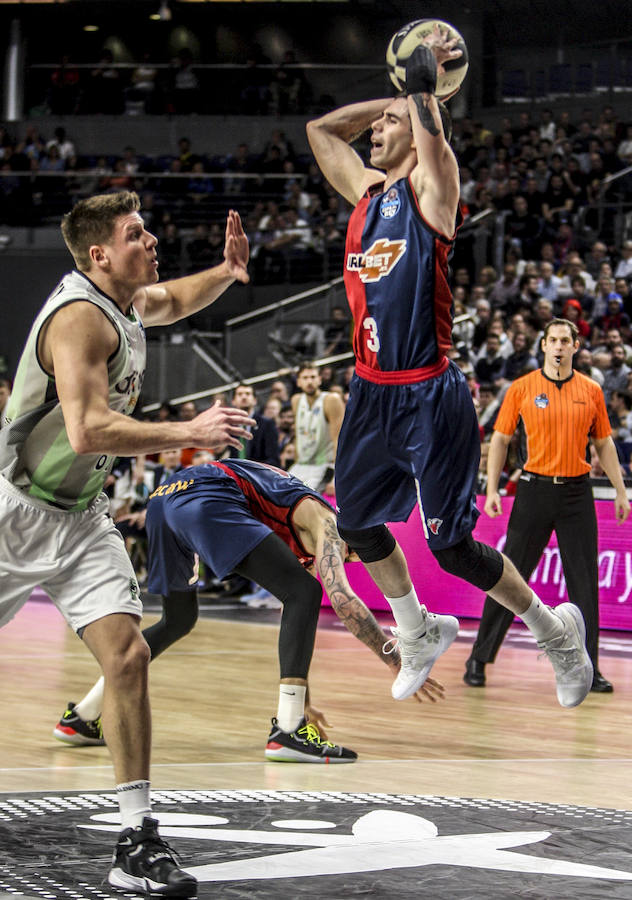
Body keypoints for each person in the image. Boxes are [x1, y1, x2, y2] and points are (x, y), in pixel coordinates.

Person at [305, 27, 594, 709]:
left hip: (431, 394)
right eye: (375, 122)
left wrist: (421, 95)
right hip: (371, 391)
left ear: (417, 133)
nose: (375, 129)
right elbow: (321, 132)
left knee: (453, 548)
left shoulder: (433, 193)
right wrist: (394, 96)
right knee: (356, 529)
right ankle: (418, 627)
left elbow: (432, 143)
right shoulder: (367, 197)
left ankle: (555, 634)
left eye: (388, 124)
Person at [0, 190, 256, 897]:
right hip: (14, 513)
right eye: (135, 234)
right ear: (99, 255)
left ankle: (136, 840)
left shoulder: (126, 302)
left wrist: (228, 273)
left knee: (129, 654)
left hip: (80, 517)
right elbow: (85, 430)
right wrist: (188, 432)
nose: (151, 241)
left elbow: (170, 301)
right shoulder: (79, 318)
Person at [53, 460, 443, 760]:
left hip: (164, 500)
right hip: (205, 495)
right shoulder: (329, 524)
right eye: (357, 557)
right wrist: (396, 659)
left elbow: (298, 627)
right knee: (306, 592)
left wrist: (303, 701)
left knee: (179, 620)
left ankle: (85, 716)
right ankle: (287, 730)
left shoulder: (310, 530)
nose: (349, 561)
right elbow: (340, 599)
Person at [464, 319, 630, 693]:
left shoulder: (591, 390)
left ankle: (590, 667)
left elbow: (604, 443)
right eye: (552, 340)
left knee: (584, 584)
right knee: (509, 579)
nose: (558, 346)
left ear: (575, 346)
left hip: (576, 494)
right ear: (543, 345)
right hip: (533, 490)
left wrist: (620, 491)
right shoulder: (522, 388)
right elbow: (502, 439)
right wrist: (492, 489)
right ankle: (479, 656)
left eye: (565, 341)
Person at [289, 362, 345, 495]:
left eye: (313, 377)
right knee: (280, 494)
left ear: (320, 379)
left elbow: (339, 439)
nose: (310, 381)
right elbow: (298, 435)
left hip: (324, 466)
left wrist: (337, 477)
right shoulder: (296, 400)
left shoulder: (331, 400)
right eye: (305, 378)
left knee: (303, 498)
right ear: (298, 382)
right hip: (302, 465)